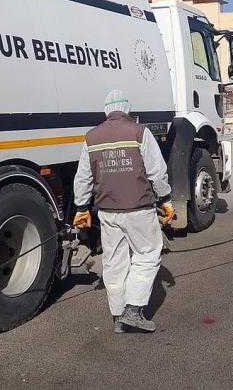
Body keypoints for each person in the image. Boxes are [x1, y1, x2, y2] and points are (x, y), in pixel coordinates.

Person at [73, 90, 175, 333]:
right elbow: (157, 172)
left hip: (107, 212)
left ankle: (118, 316)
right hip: (138, 208)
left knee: (114, 261)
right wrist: (166, 199)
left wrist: (81, 208)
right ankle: (133, 310)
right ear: (127, 110)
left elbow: (83, 177)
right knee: (148, 254)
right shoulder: (140, 132)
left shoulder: (91, 137)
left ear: (107, 110)